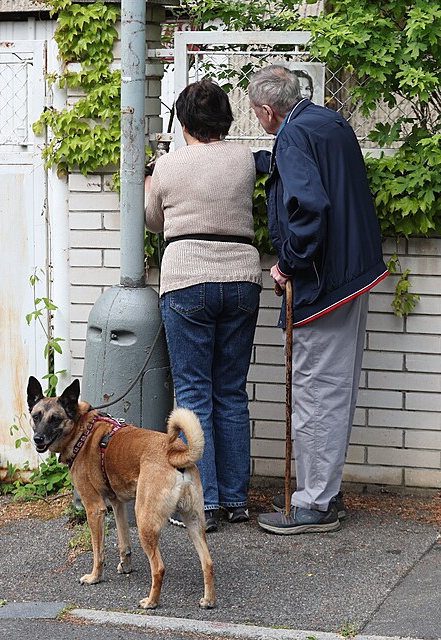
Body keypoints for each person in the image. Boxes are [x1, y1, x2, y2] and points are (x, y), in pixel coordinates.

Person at [248, 65, 388, 534]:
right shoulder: (328, 122)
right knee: (334, 387)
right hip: (352, 273)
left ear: (268, 110)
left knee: (315, 391)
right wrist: (261, 163)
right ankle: (321, 489)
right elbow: (325, 181)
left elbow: (310, 209)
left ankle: (313, 502)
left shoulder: (290, 137)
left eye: (256, 114)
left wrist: (287, 264)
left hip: (322, 281)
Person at [145, 79, 262, 532]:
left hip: (187, 279)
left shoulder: (171, 165)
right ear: (226, 119)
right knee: (230, 391)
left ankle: (203, 503)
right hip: (240, 278)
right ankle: (235, 500)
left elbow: (154, 221)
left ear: (183, 120)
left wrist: (151, 178)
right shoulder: (244, 161)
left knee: (193, 393)